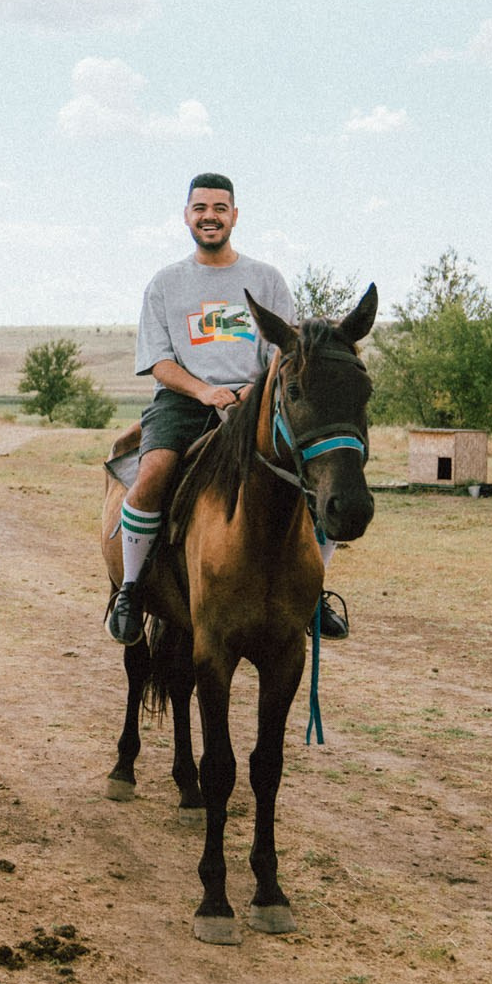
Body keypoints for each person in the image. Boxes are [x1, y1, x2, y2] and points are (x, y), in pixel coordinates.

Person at [105, 173, 342, 644]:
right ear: (186, 216)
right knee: (151, 477)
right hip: (184, 401)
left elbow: (287, 349)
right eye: (200, 208)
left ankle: (312, 591)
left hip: (258, 402)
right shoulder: (166, 283)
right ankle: (131, 588)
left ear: (234, 215)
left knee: (322, 474)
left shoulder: (266, 279)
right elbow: (159, 362)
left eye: (219, 208)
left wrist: (255, 390)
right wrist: (204, 392)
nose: (209, 216)